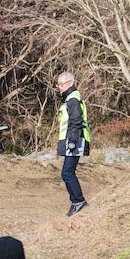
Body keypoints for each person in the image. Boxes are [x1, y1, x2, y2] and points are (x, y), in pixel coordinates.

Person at [56, 72, 90, 216]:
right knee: (67, 173)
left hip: (74, 141)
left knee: (67, 173)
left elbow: (76, 121)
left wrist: (72, 142)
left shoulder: (73, 99)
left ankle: (78, 201)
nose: (59, 87)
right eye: (58, 84)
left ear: (70, 83)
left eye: (61, 84)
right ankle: (77, 201)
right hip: (72, 140)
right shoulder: (70, 98)